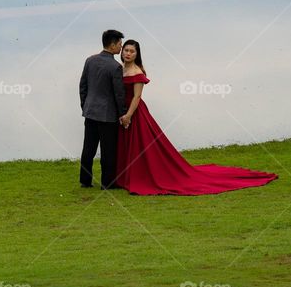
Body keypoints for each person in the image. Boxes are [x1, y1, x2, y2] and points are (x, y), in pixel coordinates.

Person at [115, 39, 278, 195]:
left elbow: (137, 97)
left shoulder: (137, 72)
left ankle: (141, 177)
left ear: (137, 54)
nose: (128, 53)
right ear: (122, 52)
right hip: (123, 111)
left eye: (132, 51)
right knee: (127, 145)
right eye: (126, 50)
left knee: (141, 146)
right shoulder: (120, 69)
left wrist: (129, 115)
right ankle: (125, 176)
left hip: (135, 112)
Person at [79, 29, 126, 189]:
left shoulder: (89, 60)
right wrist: (123, 114)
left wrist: (85, 105)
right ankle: (107, 183)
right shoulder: (115, 67)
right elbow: (119, 95)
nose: (121, 47)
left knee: (88, 148)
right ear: (112, 45)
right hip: (108, 115)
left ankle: (85, 180)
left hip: (90, 111)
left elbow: (83, 86)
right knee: (108, 151)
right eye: (119, 44)